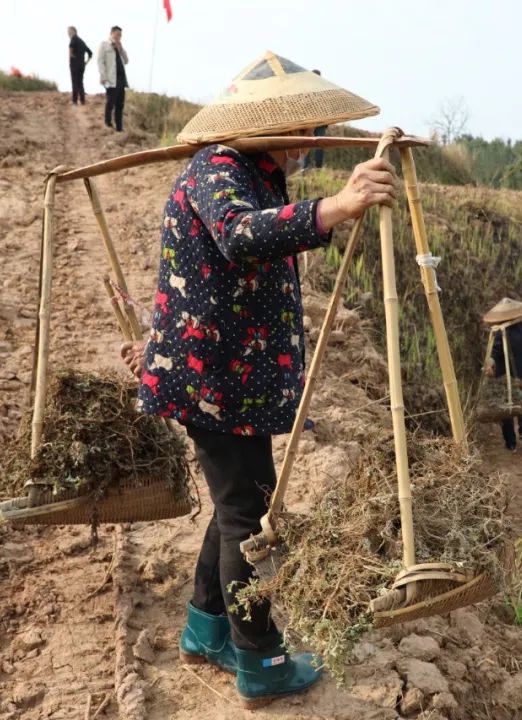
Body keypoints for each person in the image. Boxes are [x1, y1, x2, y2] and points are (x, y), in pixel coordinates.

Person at [119, 51, 384, 708]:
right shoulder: (219, 171)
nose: (314, 142)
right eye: (310, 131)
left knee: (237, 500)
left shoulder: (258, 173)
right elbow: (238, 236)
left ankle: (205, 630)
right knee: (249, 511)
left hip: (231, 372)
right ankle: (259, 659)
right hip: (213, 378)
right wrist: (339, 207)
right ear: (277, 130)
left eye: (320, 131)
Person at [483, 298, 522, 452]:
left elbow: (494, 353)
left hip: (506, 377)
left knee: (507, 409)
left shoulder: (499, 332)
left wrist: (490, 365)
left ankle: (510, 443)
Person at [97, 26, 128, 132]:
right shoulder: (104, 45)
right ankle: (108, 122)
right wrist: (103, 76)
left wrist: (121, 48)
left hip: (121, 79)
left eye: (120, 35)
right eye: (117, 34)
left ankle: (119, 127)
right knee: (110, 101)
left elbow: (126, 60)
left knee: (120, 104)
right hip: (110, 79)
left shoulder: (119, 47)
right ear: (112, 33)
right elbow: (100, 61)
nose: (119, 37)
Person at [67, 26, 93, 105]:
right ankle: (82, 100)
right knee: (80, 82)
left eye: (69, 31)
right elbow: (90, 53)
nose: (68, 33)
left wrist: (71, 56)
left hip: (74, 64)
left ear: (74, 31)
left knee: (74, 82)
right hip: (82, 65)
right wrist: (86, 62)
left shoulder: (73, 39)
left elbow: (70, 50)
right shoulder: (82, 41)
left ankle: (74, 101)